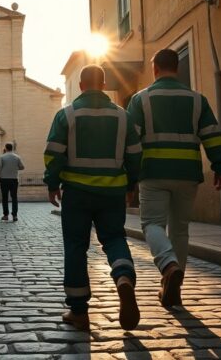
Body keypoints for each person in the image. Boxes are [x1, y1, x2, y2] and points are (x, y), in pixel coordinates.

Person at [126, 49, 221, 308]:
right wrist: (220, 166)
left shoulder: (141, 99)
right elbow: (212, 135)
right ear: (177, 68)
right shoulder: (197, 99)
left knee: (152, 224)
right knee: (180, 229)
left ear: (155, 69)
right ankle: (174, 288)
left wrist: (129, 176)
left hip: (153, 173)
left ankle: (168, 265)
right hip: (187, 173)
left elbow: (130, 142)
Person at [44, 65, 143, 331]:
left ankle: (79, 311)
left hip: (76, 193)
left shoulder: (67, 114)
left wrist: (52, 183)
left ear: (80, 85)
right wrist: (131, 184)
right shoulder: (123, 116)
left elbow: (53, 153)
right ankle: (123, 277)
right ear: (104, 84)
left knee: (76, 246)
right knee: (115, 238)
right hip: (112, 192)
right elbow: (135, 154)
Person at [0, 143, 25, 221]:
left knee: (4, 198)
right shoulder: (17, 157)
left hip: (4, 179)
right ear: (12, 148)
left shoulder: (2, 157)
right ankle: (15, 215)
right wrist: (15, 168)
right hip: (14, 179)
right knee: (14, 197)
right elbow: (22, 167)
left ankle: (5, 215)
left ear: (5, 148)